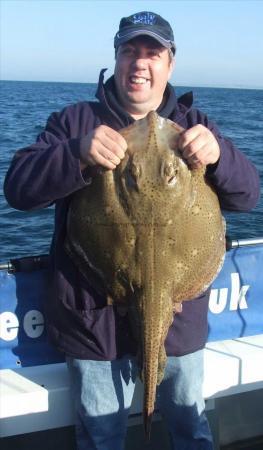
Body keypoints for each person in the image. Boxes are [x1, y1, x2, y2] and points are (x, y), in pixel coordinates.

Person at [4, 11, 260, 450]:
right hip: (92, 324)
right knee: (101, 438)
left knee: (192, 431)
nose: (139, 63)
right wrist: (77, 153)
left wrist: (219, 157)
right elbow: (19, 190)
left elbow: (247, 196)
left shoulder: (194, 124)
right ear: (117, 59)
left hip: (179, 326)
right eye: (129, 52)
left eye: (152, 53)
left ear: (169, 64)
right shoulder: (75, 122)